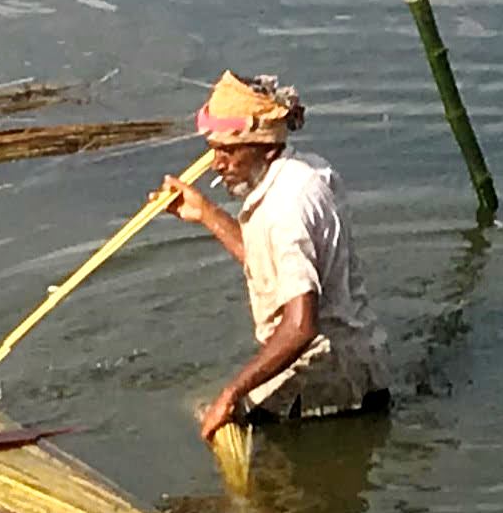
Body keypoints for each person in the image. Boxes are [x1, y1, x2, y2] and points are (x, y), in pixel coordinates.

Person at [166, 71, 390, 444]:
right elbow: (267, 264)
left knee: (211, 416)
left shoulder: (286, 209)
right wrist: (205, 213)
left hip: (323, 379)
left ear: (265, 148)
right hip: (359, 366)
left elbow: (301, 326)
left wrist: (232, 394)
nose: (216, 164)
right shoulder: (305, 171)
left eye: (228, 151)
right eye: (214, 150)